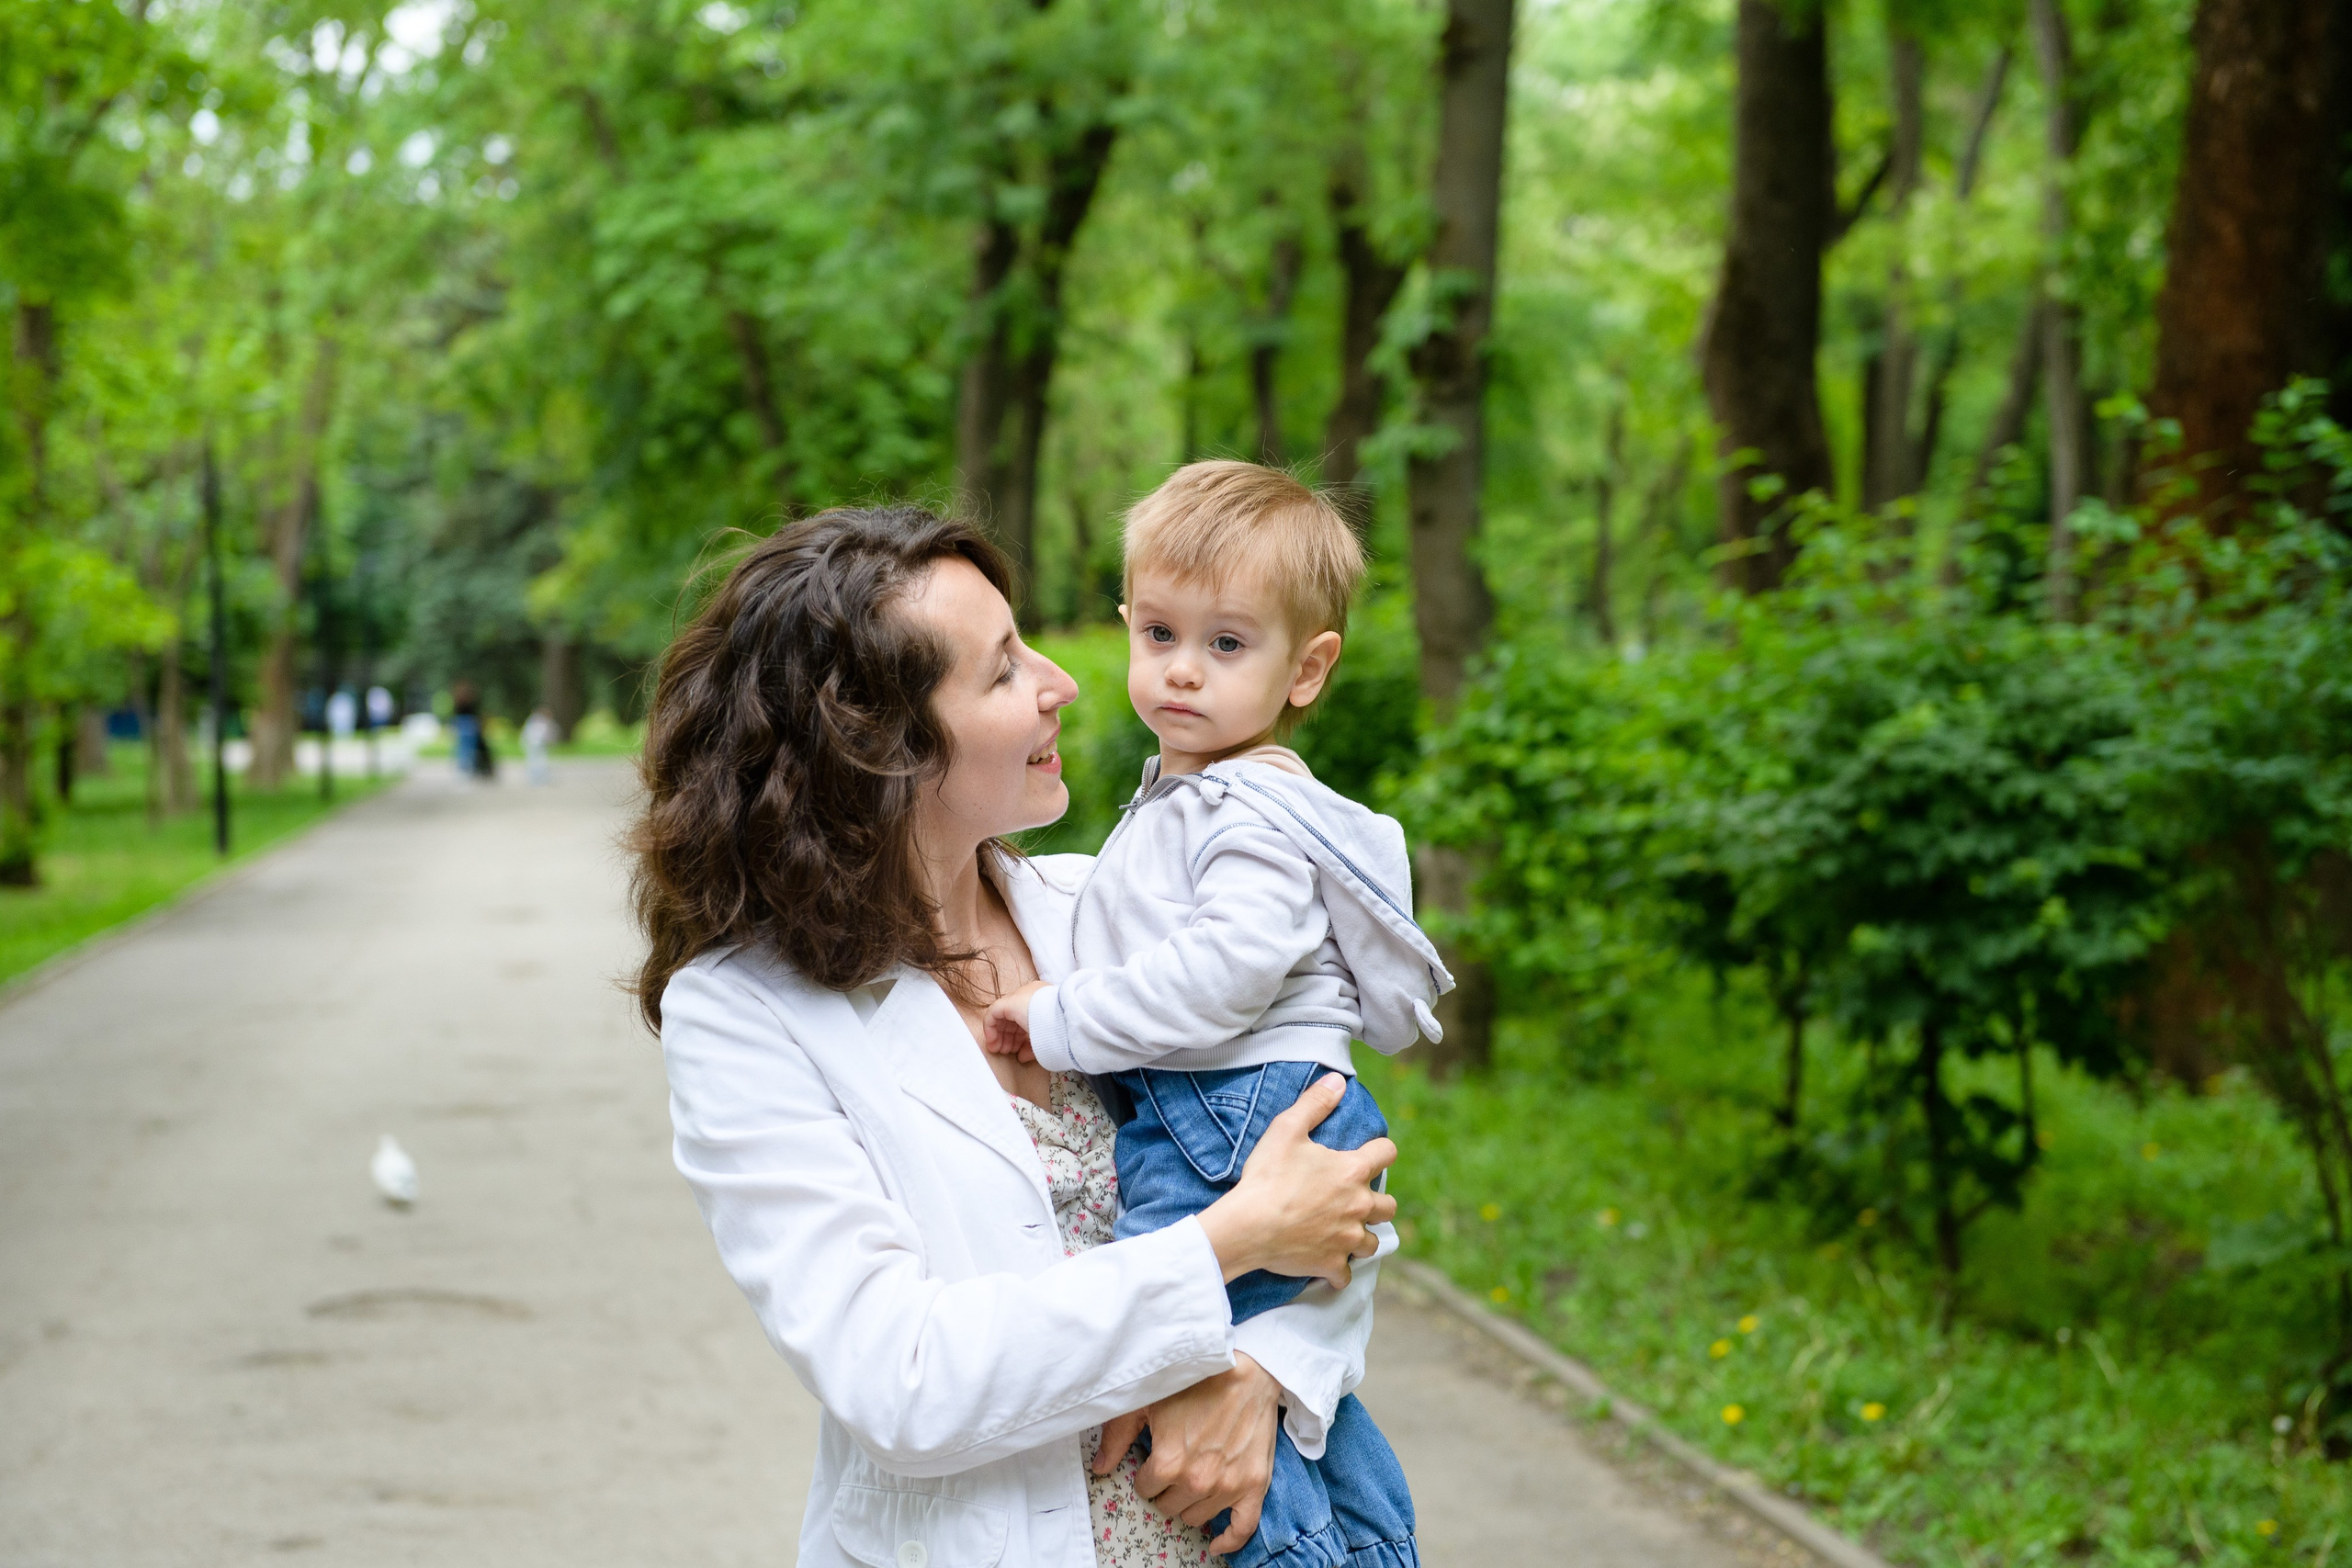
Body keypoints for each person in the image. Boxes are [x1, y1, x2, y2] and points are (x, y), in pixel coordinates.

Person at [633, 505, 1401, 1568]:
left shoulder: (1109, 921)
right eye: (1001, 672)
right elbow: (903, 1375)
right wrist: (1224, 1249)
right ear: (878, 749)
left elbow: (1328, 1196)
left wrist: (1263, 1374)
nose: (1062, 682)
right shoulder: (746, 1013)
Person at [983, 462, 1441, 1568]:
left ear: (1307, 670)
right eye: (1158, 634)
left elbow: (1223, 977)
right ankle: (1365, 1543)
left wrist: (1054, 1020)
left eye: (1227, 645)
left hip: (1239, 1109)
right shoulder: (1191, 793)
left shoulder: (1252, 808)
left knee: (1153, 1344)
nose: (1182, 673)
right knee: (1231, 1372)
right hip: (1232, 1105)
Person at [521, 707, 555, 786]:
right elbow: (541, 735)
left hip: (534, 744)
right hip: (534, 744)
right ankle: (537, 779)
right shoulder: (540, 721)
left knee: (537, 761)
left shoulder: (536, 720)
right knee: (537, 761)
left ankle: (539, 779)